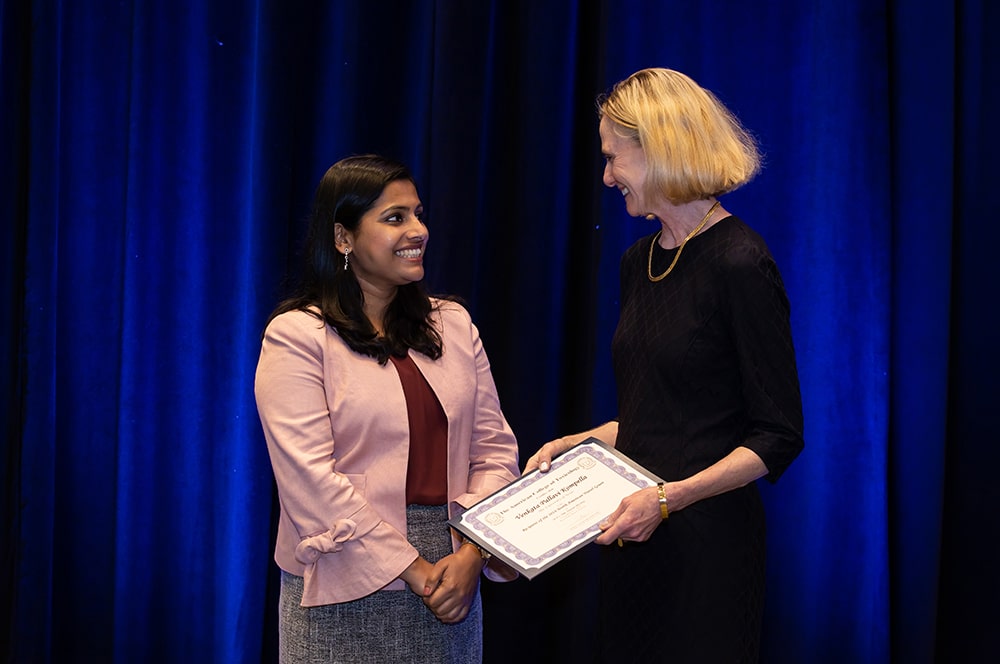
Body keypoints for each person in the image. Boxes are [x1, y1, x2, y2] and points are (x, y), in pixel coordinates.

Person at [524, 68, 804, 662]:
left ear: (659, 149)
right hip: (635, 540)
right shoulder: (638, 261)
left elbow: (777, 436)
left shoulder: (740, 262)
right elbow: (664, 415)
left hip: (707, 549)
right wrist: (581, 443)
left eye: (613, 158)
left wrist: (670, 498)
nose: (605, 177)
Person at [255, 154, 520, 663]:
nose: (417, 229)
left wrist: (472, 552)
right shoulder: (296, 336)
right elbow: (309, 483)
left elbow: (494, 451)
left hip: (453, 571)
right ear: (343, 238)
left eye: (419, 214)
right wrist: (416, 570)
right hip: (340, 581)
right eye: (395, 218)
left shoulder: (454, 324)